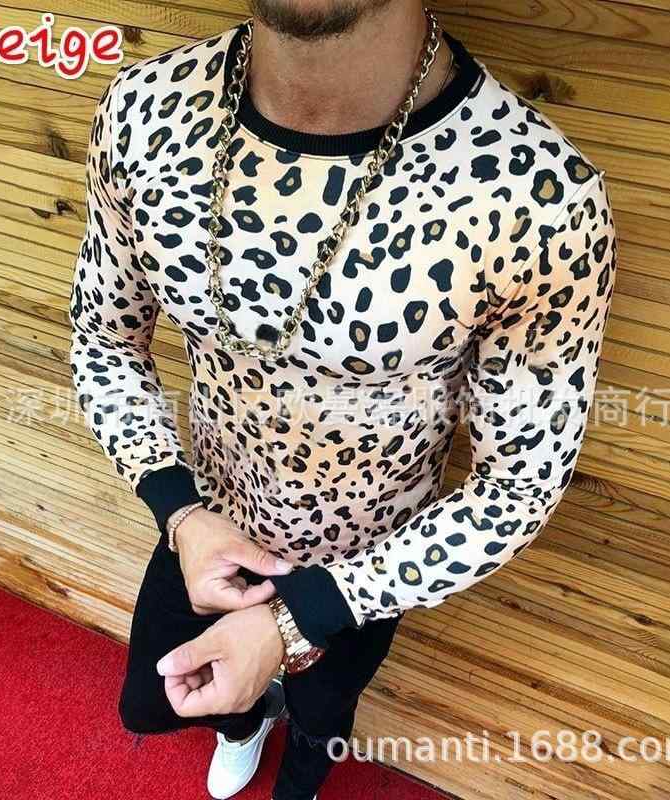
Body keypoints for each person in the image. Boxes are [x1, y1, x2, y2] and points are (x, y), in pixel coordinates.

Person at [68, 1, 618, 798]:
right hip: (206, 520)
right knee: (159, 701)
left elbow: (519, 483)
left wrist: (305, 615)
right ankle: (244, 725)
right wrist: (178, 510)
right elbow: (103, 338)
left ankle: (300, 774)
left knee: (323, 719)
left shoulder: (541, 198)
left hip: (367, 567)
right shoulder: (146, 110)